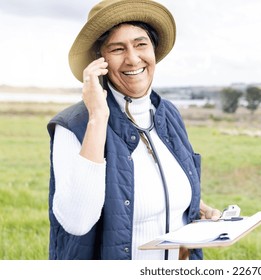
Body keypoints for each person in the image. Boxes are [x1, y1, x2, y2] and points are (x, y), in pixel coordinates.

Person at [47, 0, 221, 260]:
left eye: (141, 44)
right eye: (117, 49)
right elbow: (77, 222)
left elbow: (153, 194)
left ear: (153, 50)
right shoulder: (74, 125)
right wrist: (97, 116)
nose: (132, 58)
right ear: (100, 61)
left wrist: (194, 208)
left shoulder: (168, 113)